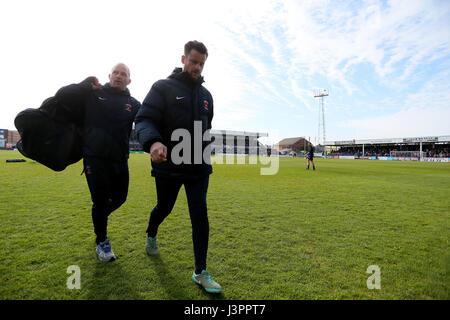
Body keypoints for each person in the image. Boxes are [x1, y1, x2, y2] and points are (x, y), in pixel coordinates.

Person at [135, 41, 221, 293]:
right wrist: (153, 142)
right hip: (168, 165)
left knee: (200, 216)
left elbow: (207, 126)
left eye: (202, 63)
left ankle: (200, 272)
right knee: (165, 207)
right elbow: (144, 118)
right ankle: (151, 233)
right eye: (193, 61)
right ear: (183, 59)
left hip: (198, 166)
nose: (197, 67)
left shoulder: (207, 96)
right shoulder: (162, 87)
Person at [55, 63, 141, 262]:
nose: (119, 76)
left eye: (124, 74)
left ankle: (99, 217)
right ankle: (102, 242)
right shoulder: (92, 95)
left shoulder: (133, 103)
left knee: (120, 198)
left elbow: (147, 120)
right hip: (95, 158)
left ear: (129, 80)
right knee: (100, 202)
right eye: (116, 73)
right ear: (109, 75)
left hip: (120, 159)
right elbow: (62, 96)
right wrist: (84, 85)